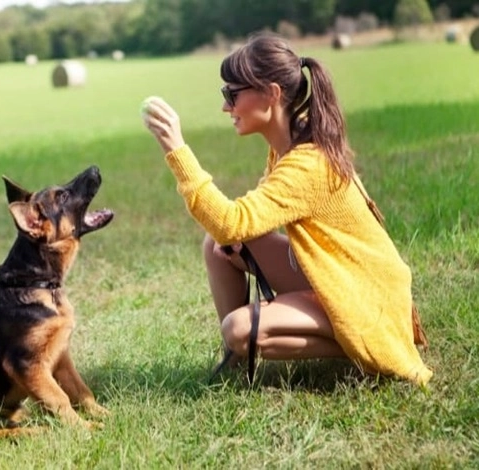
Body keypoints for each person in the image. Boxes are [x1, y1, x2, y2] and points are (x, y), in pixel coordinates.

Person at [141, 32, 432, 386]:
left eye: (232, 95)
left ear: (272, 94)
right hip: (336, 272)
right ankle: (236, 359)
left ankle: (369, 341)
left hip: (367, 296)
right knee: (217, 246)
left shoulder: (307, 164)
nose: (225, 107)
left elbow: (232, 222)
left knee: (237, 327)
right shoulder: (291, 142)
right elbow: (236, 229)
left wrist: (177, 149)